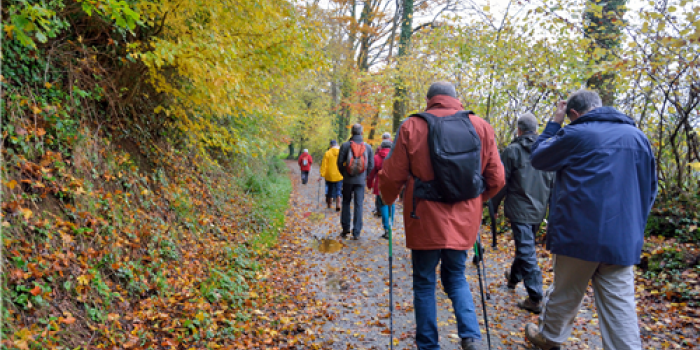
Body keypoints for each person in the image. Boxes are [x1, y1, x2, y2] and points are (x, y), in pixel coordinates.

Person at [524, 89, 657, 350]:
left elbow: (538, 158)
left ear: (574, 114)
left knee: (565, 292)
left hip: (579, 235)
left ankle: (549, 338)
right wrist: (634, 227)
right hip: (623, 238)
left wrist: (554, 122)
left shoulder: (575, 133)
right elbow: (649, 190)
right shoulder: (638, 137)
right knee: (620, 305)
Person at [379, 82, 505, 350]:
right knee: (456, 276)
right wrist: (475, 203)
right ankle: (471, 337)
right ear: (456, 98)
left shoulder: (412, 126)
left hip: (423, 218)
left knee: (424, 282)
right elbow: (497, 178)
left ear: (429, 100)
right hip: (463, 221)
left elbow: (392, 175)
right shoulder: (480, 126)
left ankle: (428, 345)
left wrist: (387, 201)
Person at [491, 112, 554, 314]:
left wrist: (492, 205)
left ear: (519, 130)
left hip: (520, 210)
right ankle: (513, 278)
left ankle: (535, 297)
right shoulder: (548, 151)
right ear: (536, 130)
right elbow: (554, 183)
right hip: (538, 209)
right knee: (525, 246)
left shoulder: (512, 151)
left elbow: (501, 182)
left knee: (526, 250)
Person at [337, 124, 374, 240]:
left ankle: (345, 228)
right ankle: (356, 232)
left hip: (348, 180)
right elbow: (371, 165)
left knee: (346, 202)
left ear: (352, 133)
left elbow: (339, 162)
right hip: (360, 181)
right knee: (358, 205)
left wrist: (344, 173)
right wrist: (364, 175)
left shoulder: (345, 145)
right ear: (362, 133)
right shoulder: (368, 147)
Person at [367, 139, 394, 239]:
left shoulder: (376, 158)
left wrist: (369, 184)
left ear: (381, 147)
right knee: (392, 205)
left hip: (380, 185)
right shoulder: (395, 156)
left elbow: (371, 173)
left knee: (383, 206)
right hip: (392, 185)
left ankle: (386, 229)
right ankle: (391, 226)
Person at [373, 132, 394, 217]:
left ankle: (379, 210)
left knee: (379, 194)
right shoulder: (394, 148)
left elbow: (375, 163)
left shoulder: (379, 149)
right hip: (391, 177)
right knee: (390, 194)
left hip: (380, 176)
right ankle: (389, 214)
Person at [320, 140, 343, 211]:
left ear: (330, 145)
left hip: (329, 175)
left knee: (330, 189)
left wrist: (322, 174)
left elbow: (324, 164)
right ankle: (338, 203)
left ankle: (329, 204)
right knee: (338, 189)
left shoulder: (327, 153)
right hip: (339, 174)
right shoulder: (341, 153)